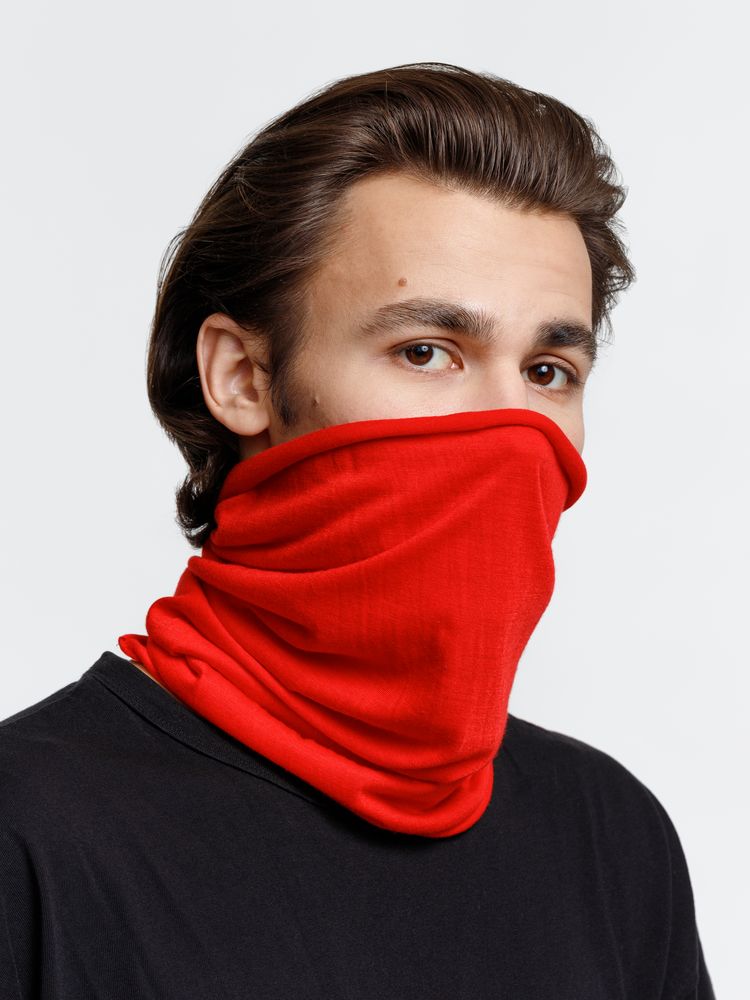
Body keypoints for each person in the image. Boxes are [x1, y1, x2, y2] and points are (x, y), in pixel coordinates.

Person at [0, 62, 715, 998]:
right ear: (243, 379)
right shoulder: (29, 833)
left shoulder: (611, 837)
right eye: (426, 352)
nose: (510, 429)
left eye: (548, 371)